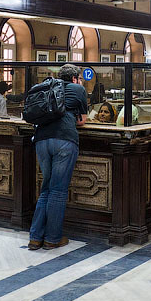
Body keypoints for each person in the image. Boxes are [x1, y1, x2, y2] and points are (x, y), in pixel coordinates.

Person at [28, 64, 88, 251]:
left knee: (46, 188)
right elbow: (82, 121)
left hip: (41, 140)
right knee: (58, 190)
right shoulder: (78, 89)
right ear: (75, 78)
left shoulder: (46, 86)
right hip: (64, 140)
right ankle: (53, 238)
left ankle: (35, 238)